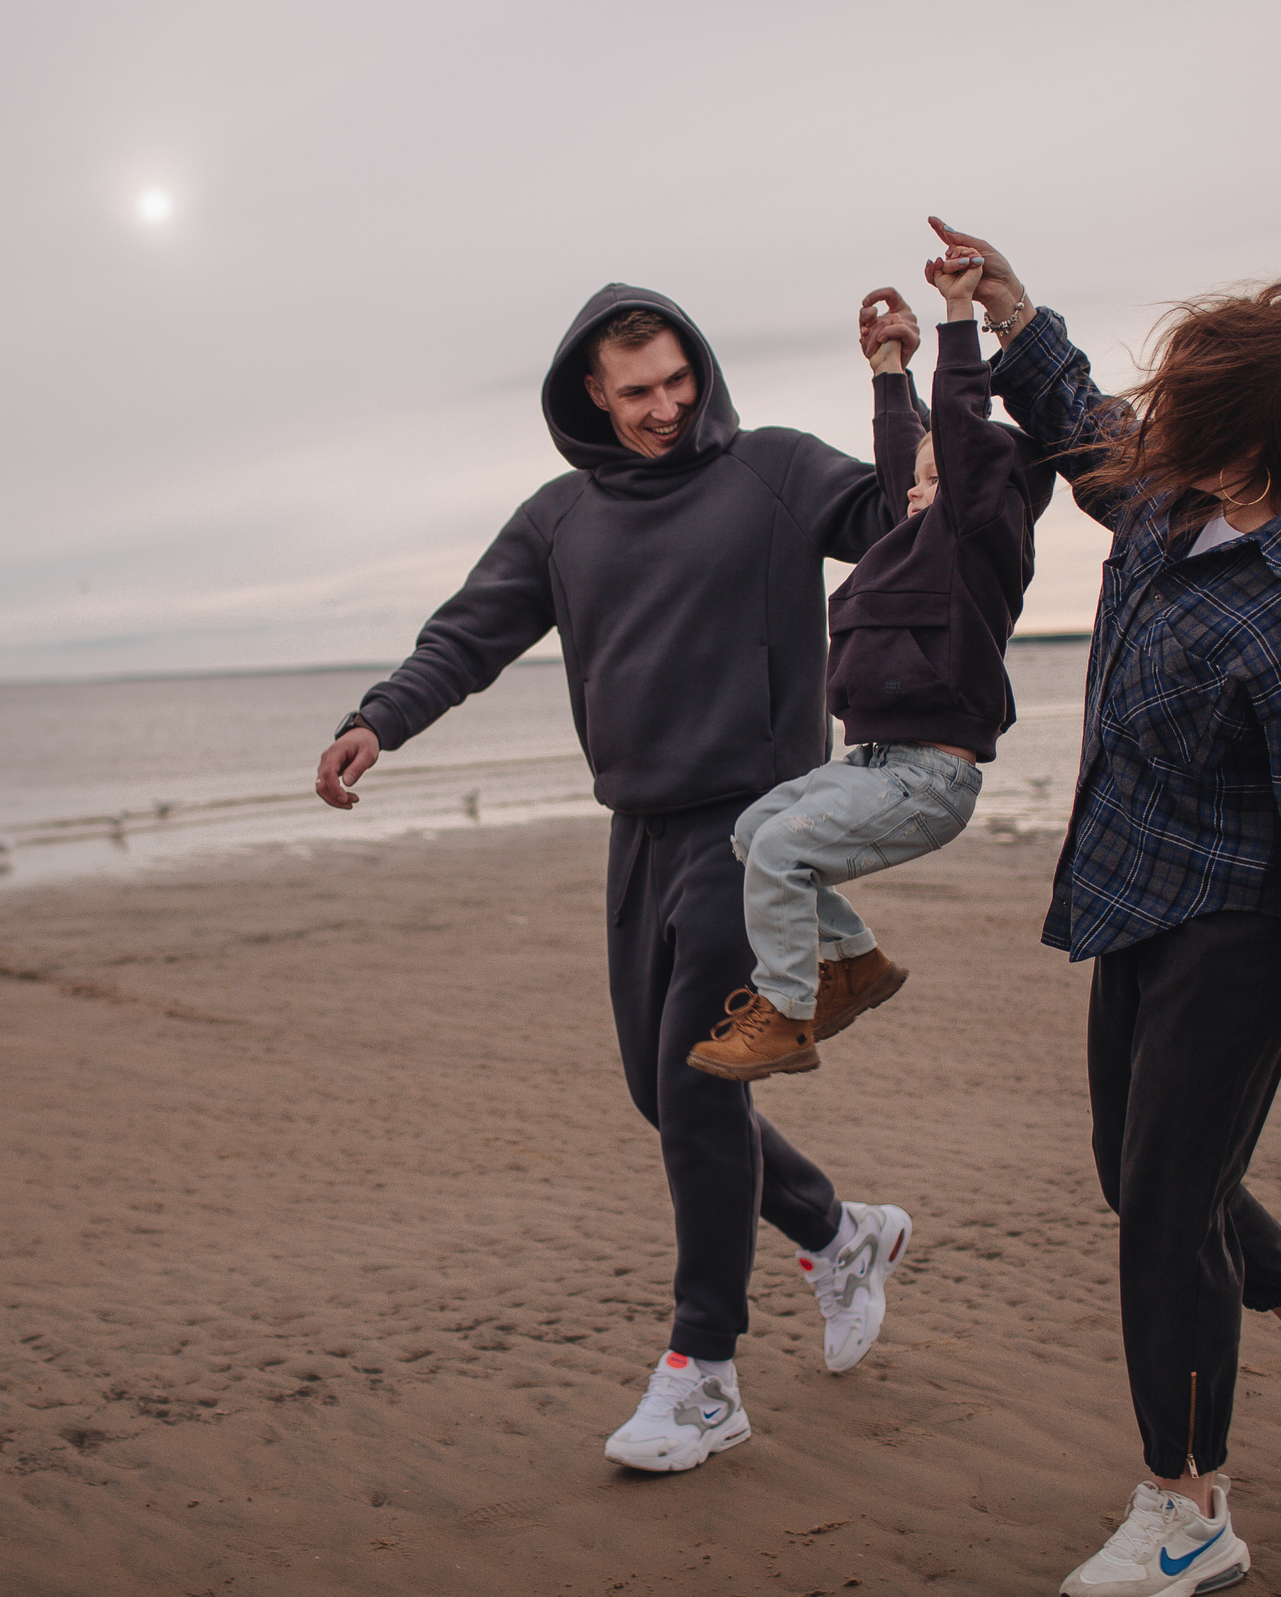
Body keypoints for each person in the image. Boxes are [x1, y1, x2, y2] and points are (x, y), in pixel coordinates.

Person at [312, 285, 915, 1473]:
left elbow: (901, 516)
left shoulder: (776, 472)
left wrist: (895, 377)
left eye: (677, 379)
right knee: (663, 1092)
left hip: (759, 827)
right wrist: (378, 720)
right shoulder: (558, 519)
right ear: (590, 393)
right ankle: (839, 1233)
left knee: (695, 1086)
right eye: (635, 390)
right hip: (636, 828)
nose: (663, 407)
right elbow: (466, 636)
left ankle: (704, 1376)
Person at [939, 223, 1281, 1596]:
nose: (1155, 428)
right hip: (1140, 886)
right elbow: (1088, 424)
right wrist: (1016, 311)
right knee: (1135, 1171)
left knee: (1163, 1206)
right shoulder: (1165, 502)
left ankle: (1187, 1502)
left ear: (1250, 442)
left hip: (1247, 919)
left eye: (1185, 407)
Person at [689, 245, 1053, 1080]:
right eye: (921, 480)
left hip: (926, 775)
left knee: (782, 851)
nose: (920, 490)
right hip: (876, 762)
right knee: (753, 835)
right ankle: (853, 961)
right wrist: (891, 367)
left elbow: (959, 436)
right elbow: (907, 453)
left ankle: (787, 1011)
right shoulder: (915, 534)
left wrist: (961, 320)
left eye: (940, 479)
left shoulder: (980, 541)